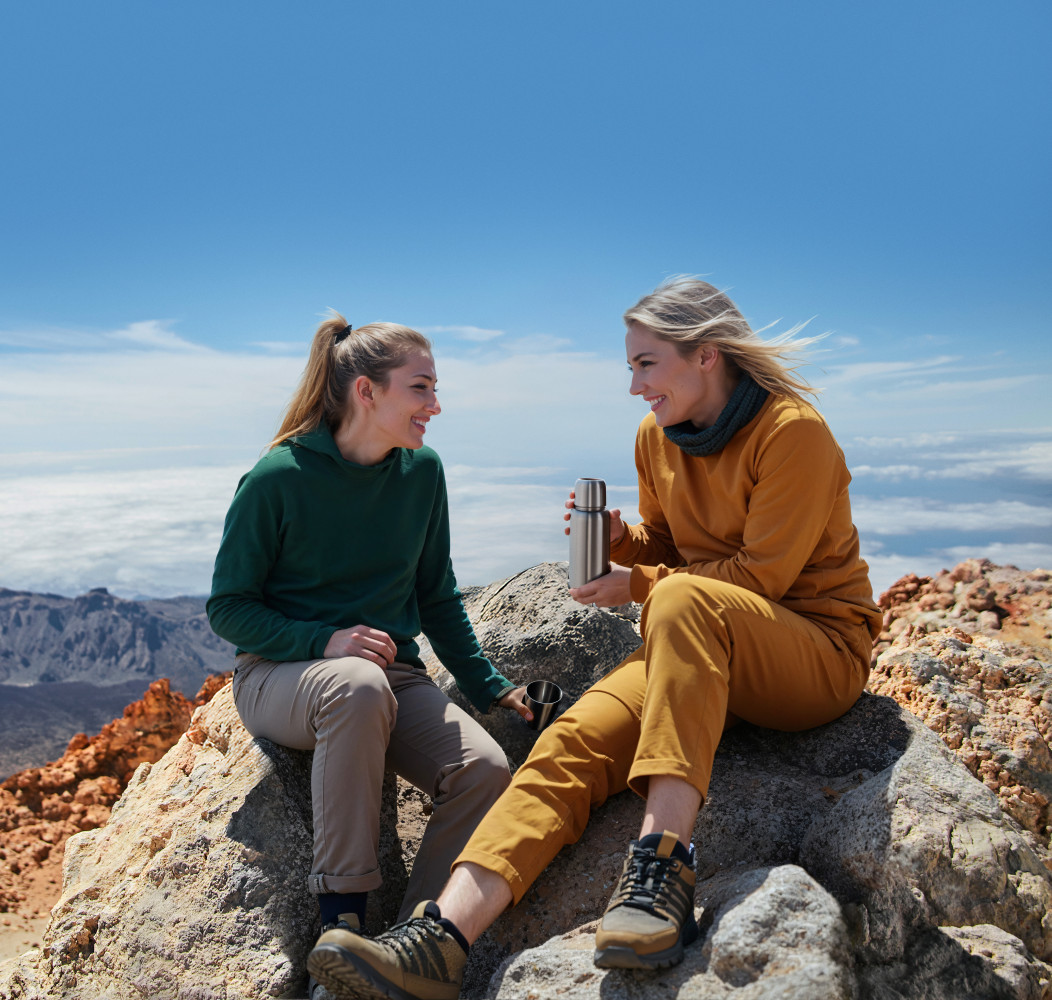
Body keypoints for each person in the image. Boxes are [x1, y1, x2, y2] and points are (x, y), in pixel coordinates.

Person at [308, 278, 883, 1000]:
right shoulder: (658, 438)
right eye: (631, 367)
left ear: (706, 355)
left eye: (647, 364)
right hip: (700, 650)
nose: (635, 386)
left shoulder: (790, 431)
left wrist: (639, 583)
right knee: (573, 738)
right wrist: (627, 541)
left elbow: (759, 579)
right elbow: (675, 543)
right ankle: (441, 939)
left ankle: (659, 871)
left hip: (814, 654)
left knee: (681, 599)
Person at [206, 313, 535, 994]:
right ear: (366, 392)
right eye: (421, 389)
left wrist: (493, 686)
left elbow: (435, 593)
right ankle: (343, 925)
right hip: (279, 678)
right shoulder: (277, 478)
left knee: (485, 771)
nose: (435, 407)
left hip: (390, 677)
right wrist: (321, 641)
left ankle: (405, 953)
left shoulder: (421, 474)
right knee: (355, 684)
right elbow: (228, 607)